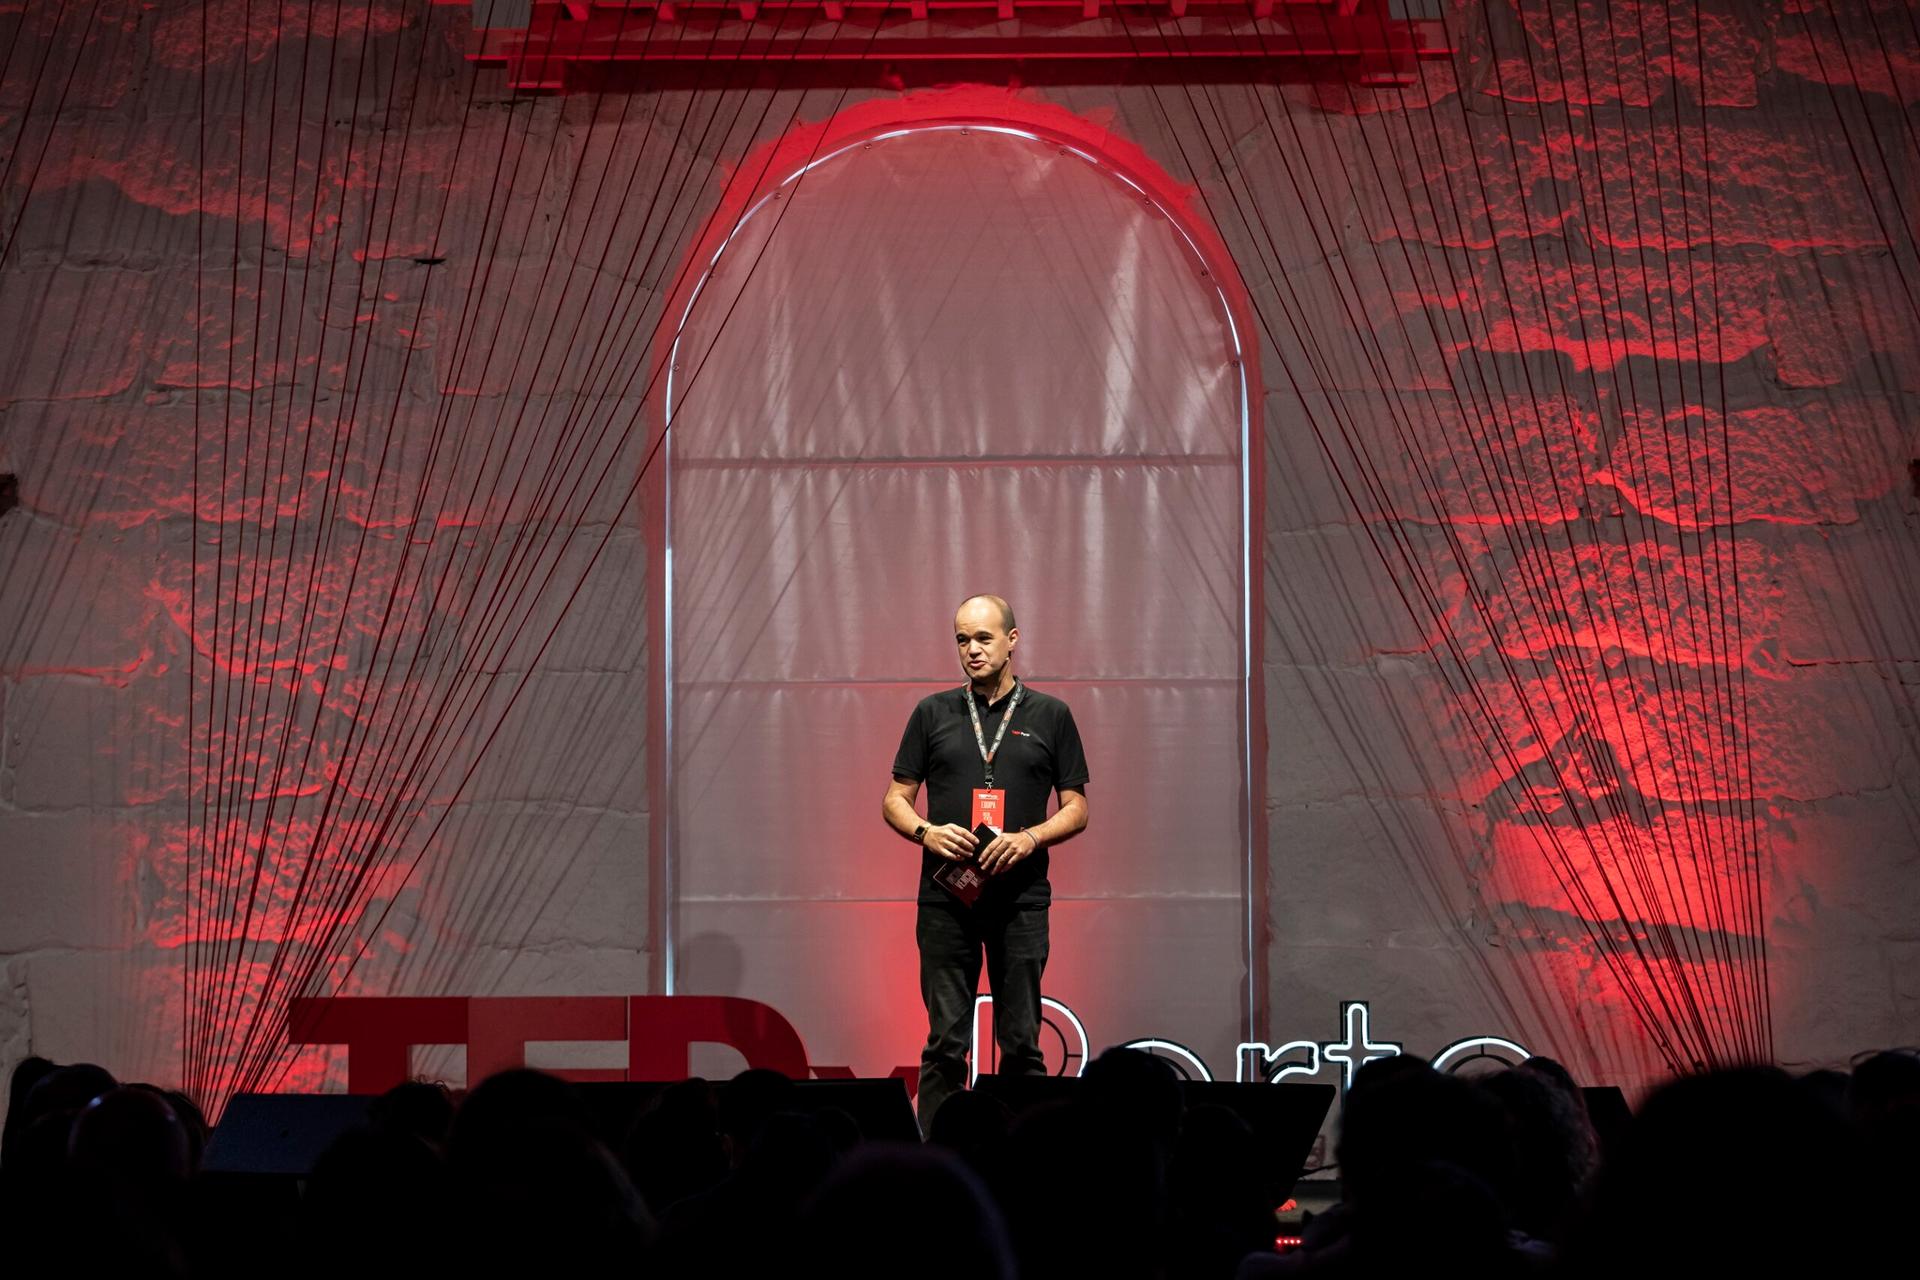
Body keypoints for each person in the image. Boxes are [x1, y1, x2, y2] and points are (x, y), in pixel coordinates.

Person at [882, 595, 1089, 1134]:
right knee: (945, 1041)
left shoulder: (1050, 715)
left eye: (983, 638)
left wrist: (1030, 839)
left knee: (1021, 1042)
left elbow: (1078, 808)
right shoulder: (932, 713)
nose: (971, 650)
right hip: (947, 898)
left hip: (1020, 899)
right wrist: (927, 832)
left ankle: (1027, 1166)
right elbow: (894, 799)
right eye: (961, 640)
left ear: (1012, 640)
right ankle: (938, 1164)